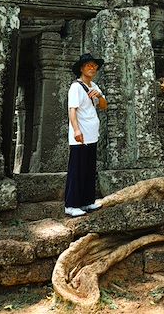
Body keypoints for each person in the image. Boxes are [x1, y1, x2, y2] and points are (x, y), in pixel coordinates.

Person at [64, 53, 108, 217]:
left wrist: (99, 96)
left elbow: (104, 106)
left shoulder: (94, 86)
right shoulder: (76, 87)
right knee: (77, 169)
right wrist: (76, 130)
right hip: (80, 134)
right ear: (81, 68)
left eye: (94, 66)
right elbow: (72, 110)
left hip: (92, 134)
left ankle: (87, 202)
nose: (93, 68)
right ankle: (71, 204)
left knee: (89, 169)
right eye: (89, 65)